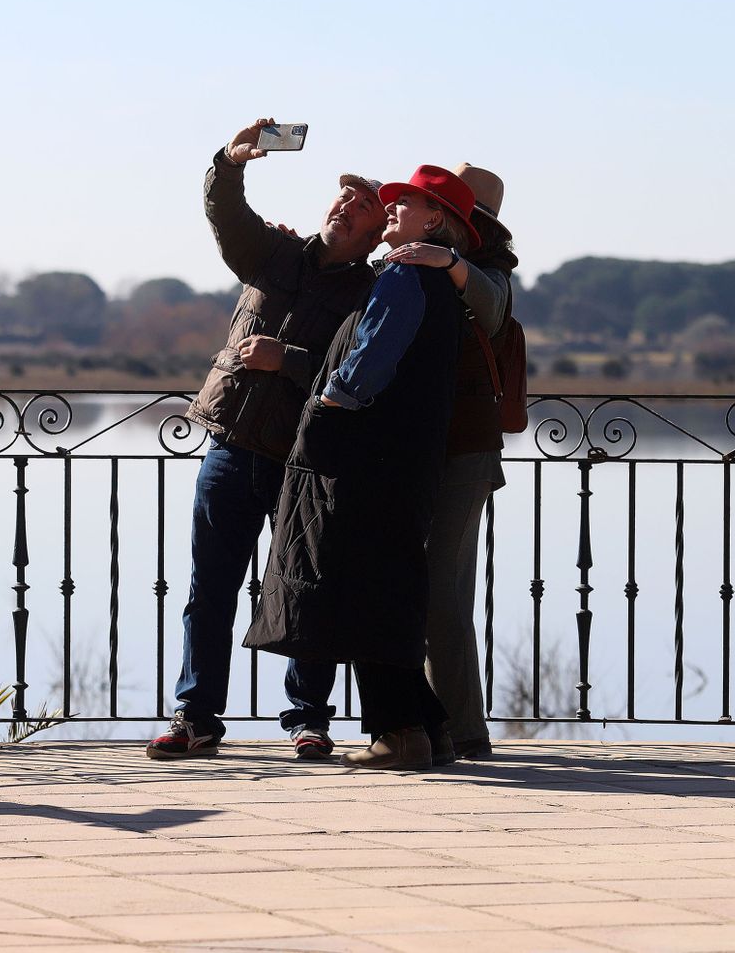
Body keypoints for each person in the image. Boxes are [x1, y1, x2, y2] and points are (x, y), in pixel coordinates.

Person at [146, 118, 388, 761]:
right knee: (209, 591)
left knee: (305, 590)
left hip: (306, 461)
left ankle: (308, 720)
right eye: (342, 196)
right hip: (229, 447)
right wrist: (230, 160)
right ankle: (195, 718)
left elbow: (361, 373)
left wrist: (290, 360)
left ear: (374, 232)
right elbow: (225, 213)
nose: (345, 206)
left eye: (363, 205)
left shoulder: (371, 294)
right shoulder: (273, 254)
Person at [243, 165, 480, 770]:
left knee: (362, 589)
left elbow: (374, 354)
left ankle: (398, 733)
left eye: (407, 203)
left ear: (435, 220)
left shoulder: (404, 274)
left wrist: (333, 398)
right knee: (387, 586)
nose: (393, 209)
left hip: (366, 456)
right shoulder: (442, 286)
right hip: (404, 459)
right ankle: (428, 728)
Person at [383, 163, 517, 763]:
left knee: (442, 591)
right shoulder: (410, 264)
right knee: (426, 588)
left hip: (466, 451)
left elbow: (490, 309)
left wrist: (452, 266)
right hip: (421, 449)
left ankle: (463, 731)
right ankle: (439, 726)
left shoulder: (486, 273)